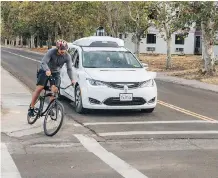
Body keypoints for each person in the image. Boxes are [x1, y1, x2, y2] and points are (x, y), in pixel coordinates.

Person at [28, 39, 75, 117]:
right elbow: (44, 62)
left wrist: (72, 79)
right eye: (61, 50)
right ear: (57, 48)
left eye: (65, 50)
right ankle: (31, 107)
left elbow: (69, 69)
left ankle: (50, 108)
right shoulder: (51, 52)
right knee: (40, 88)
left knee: (54, 90)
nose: (63, 51)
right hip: (45, 70)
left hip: (56, 73)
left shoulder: (67, 56)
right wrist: (47, 70)